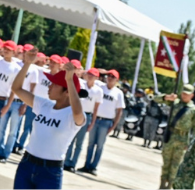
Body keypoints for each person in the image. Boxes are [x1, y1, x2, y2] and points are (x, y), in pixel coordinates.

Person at [10, 58, 86, 189]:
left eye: (54, 84)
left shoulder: (73, 115)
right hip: (26, 164)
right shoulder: (44, 104)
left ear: (67, 91)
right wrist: (27, 63)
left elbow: (78, 112)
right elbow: (16, 89)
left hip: (50, 172)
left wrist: (69, 80)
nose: (49, 86)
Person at [80, 68, 124, 176]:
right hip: (96, 119)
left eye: (113, 77)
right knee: (90, 144)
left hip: (106, 121)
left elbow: (119, 111)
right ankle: (87, 165)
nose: (110, 78)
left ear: (117, 80)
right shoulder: (100, 86)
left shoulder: (118, 93)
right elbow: (89, 75)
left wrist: (113, 126)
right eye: (109, 76)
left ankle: (93, 167)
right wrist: (103, 72)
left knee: (99, 145)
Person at [159, 83, 195, 188]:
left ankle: (169, 185)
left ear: (192, 95)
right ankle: (162, 184)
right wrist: (167, 97)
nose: (184, 96)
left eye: (187, 94)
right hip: (170, 136)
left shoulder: (194, 110)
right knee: (166, 162)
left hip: (182, 140)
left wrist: (191, 144)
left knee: (176, 165)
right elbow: (156, 99)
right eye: (183, 93)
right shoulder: (175, 103)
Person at [63, 67, 102, 171]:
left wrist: (92, 123)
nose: (90, 76)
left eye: (93, 75)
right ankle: (66, 161)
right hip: (75, 112)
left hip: (86, 115)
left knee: (79, 142)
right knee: (70, 139)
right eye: (89, 74)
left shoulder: (98, 91)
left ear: (97, 78)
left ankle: (73, 163)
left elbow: (96, 109)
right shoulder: (80, 84)